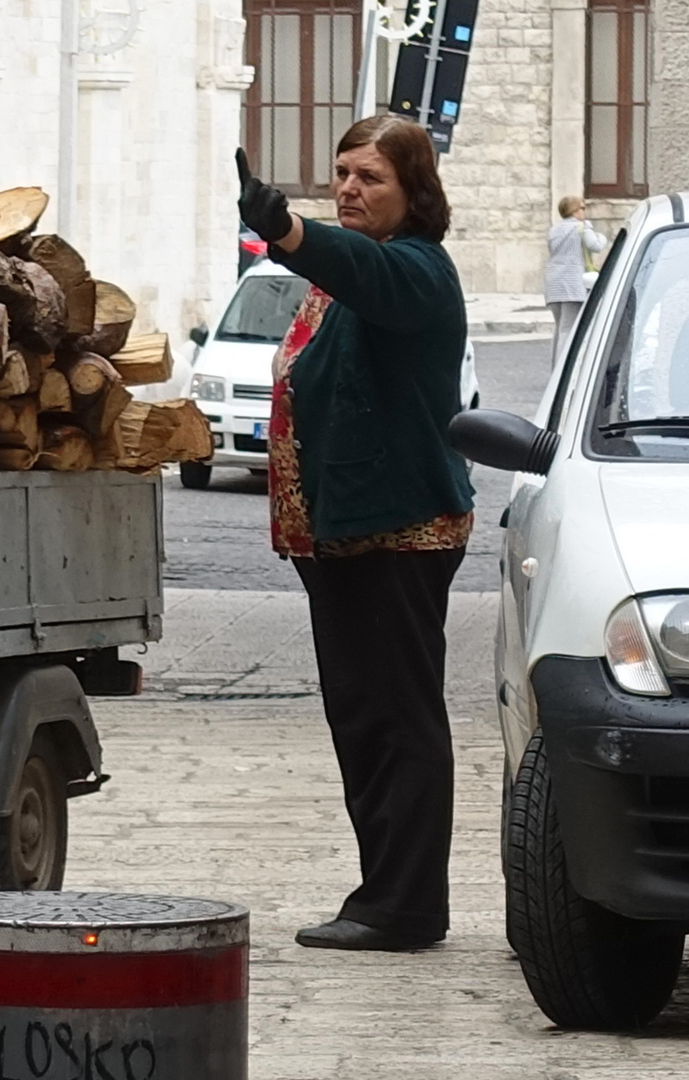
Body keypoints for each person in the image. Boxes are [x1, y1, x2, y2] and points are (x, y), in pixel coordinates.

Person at [236, 115, 473, 952]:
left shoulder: (413, 270)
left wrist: (288, 230)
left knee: (396, 719)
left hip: (397, 534)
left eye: (370, 177)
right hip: (343, 540)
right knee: (364, 718)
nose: (348, 188)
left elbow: (360, 264)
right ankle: (386, 893)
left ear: (415, 192)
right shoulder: (344, 281)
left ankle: (403, 906)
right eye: (340, 173)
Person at [544, 195, 605, 366]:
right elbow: (596, 246)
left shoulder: (554, 230)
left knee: (558, 326)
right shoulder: (582, 227)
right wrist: (600, 236)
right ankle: (563, 369)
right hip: (571, 280)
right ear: (574, 211)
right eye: (582, 208)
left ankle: (555, 365)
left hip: (553, 280)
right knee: (568, 328)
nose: (584, 212)